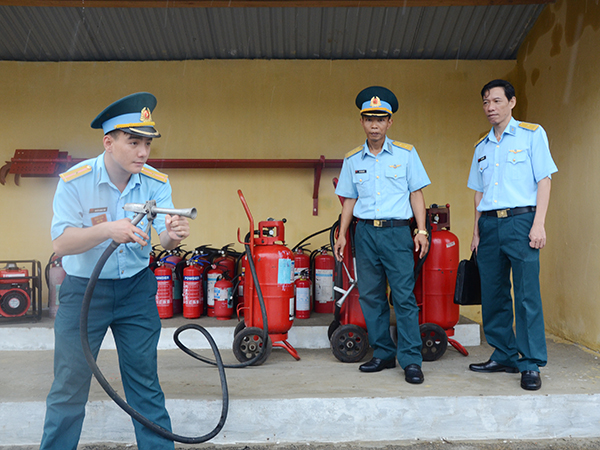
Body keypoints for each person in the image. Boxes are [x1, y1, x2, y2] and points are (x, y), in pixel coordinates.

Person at [40, 92, 190, 450]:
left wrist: (174, 234)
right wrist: (108, 230)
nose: (143, 152)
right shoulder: (74, 181)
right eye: (133, 142)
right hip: (83, 293)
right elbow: (61, 243)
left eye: (147, 144)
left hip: (136, 291)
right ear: (108, 142)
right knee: (69, 384)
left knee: (144, 383)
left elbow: (165, 237)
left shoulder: (156, 182)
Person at [333, 86, 430, 384]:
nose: (374, 125)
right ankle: (384, 353)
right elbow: (349, 200)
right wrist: (343, 235)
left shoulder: (406, 154)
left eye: (381, 119)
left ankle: (411, 359)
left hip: (397, 233)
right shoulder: (353, 160)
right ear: (362, 122)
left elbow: (417, 194)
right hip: (364, 234)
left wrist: (422, 229)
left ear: (390, 123)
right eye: (369, 119)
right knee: (372, 297)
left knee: (403, 297)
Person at [467, 79, 557, 391]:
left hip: (522, 222)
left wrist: (539, 223)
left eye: (496, 101)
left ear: (512, 102)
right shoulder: (481, 147)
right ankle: (504, 353)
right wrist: (476, 232)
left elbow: (544, 181)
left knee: (526, 294)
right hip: (490, 226)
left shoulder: (533, 135)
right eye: (485, 102)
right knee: (493, 293)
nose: (490, 107)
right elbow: (478, 194)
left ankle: (530, 362)